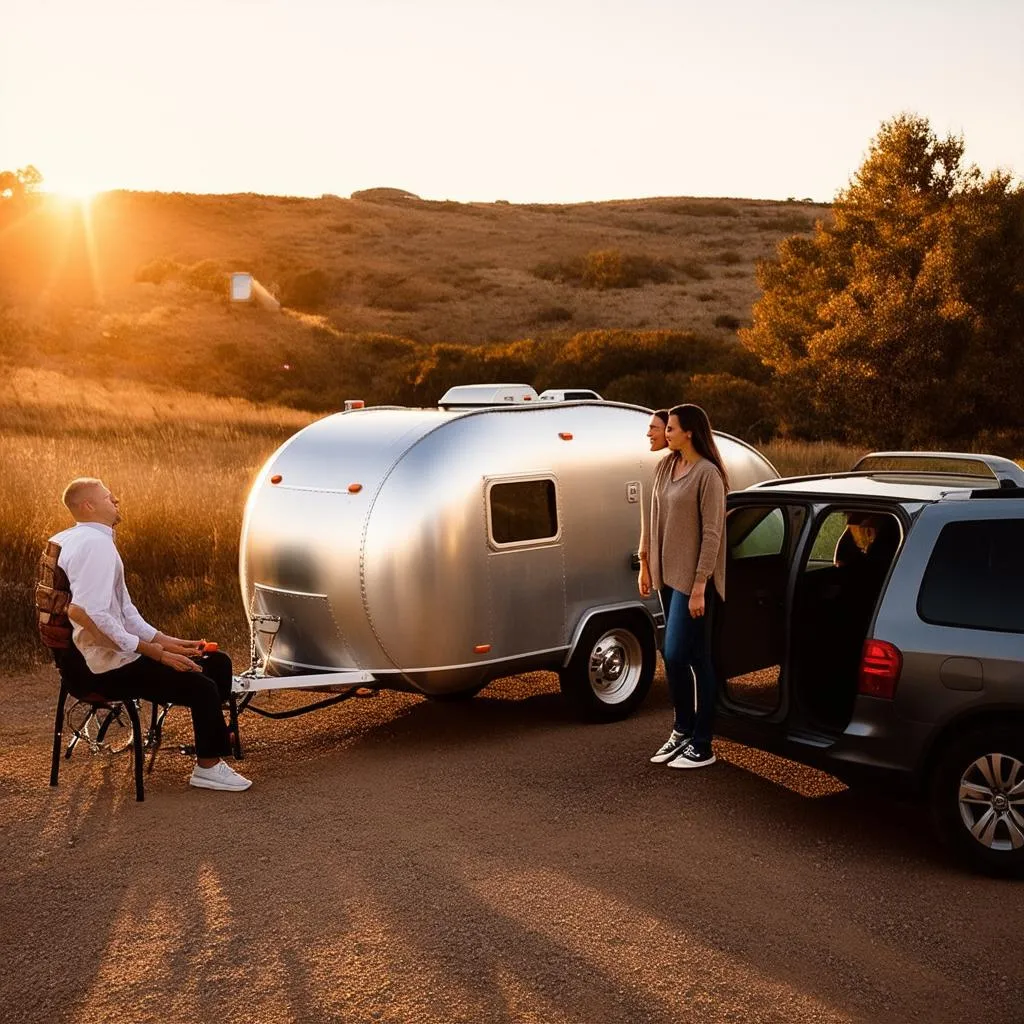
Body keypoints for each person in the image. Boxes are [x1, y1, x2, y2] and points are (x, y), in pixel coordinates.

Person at [49, 477, 252, 792]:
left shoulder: (72, 539)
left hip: (95, 657)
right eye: (108, 497)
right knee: (201, 685)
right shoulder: (95, 546)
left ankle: (214, 738)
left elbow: (125, 612)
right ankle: (208, 766)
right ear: (88, 506)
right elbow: (95, 616)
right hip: (98, 669)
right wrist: (157, 654)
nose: (116, 501)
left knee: (216, 662)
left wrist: (172, 643)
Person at [644, 405, 728, 769]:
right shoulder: (665, 467)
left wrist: (699, 586)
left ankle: (702, 742)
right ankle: (682, 732)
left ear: (689, 432)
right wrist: (645, 561)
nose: (664, 434)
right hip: (666, 574)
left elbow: (713, 534)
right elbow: (650, 516)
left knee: (677, 653)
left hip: (693, 581)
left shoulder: (708, 475)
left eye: (670, 428)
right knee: (688, 657)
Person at [637, 409, 670, 598]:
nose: (648, 433)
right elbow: (647, 520)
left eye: (653, 428)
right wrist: (644, 564)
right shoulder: (656, 467)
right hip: (660, 568)